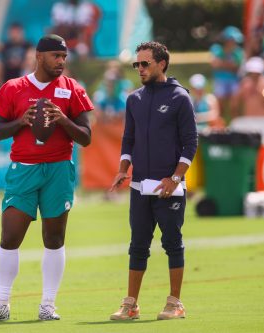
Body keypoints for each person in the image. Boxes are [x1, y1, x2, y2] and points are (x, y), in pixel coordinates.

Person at [0, 34, 93, 322]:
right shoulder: (13, 87)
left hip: (59, 169)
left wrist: (63, 120)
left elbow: (86, 137)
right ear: (39, 57)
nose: (61, 62)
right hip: (24, 168)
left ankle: (47, 305)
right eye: (56, 56)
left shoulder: (72, 88)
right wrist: (22, 121)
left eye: (64, 57)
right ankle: (1, 303)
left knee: (54, 238)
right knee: (10, 236)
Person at [109, 41, 197, 321]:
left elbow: (190, 143)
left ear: (162, 64)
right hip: (139, 187)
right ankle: (131, 304)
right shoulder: (134, 98)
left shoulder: (180, 97)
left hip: (169, 187)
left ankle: (175, 303)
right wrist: (123, 168)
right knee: (137, 245)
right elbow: (128, 138)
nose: (140, 69)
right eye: (137, 64)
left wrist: (174, 178)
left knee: (172, 243)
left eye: (145, 63)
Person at [209, 26, 244, 121]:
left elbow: (236, 68)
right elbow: (215, 64)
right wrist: (229, 65)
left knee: (234, 106)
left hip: (233, 80)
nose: (234, 42)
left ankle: (235, 125)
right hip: (220, 80)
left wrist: (222, 64)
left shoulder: (239, 52)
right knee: (219, 106)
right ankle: (220, 127)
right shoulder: (216, 49)